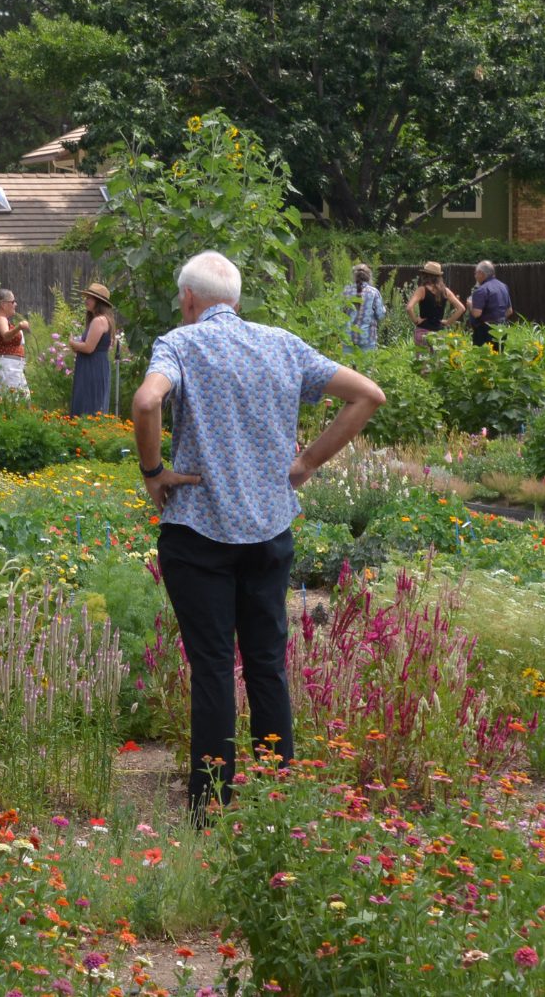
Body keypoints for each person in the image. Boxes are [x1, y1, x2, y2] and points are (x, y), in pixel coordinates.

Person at [131, 251, 386, 814]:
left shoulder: (180, 342)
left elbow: (148, 400)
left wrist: (154, 472)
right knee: (267, 663)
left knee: (215, 668)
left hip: (198, 533)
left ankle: (213, 807)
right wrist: (310, 461)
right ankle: (279, 800)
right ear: (237, 300)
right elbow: (368, 394)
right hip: (269, 532)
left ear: (190, 300)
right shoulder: (282, 343)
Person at [67, 282, 118, 416]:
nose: (86, 300)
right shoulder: (103, 320)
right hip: (94, 365)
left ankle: (86, 431)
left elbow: (89, 348)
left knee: (88, 404)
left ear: (98, 301)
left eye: (90, 298)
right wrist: (78, 346)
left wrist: (72, 343)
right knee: (92, 402)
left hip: (92, 366)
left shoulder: (99, 321)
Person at [405, 261, 467, 347]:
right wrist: (448, 322)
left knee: (422, 360)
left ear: (425, 275)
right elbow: (461, 308)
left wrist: (416, 321)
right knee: (437, 360)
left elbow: (409, 308)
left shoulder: (422, 290)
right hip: (439, 334)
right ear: (439, 277)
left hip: (423, 331)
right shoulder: (445, 291)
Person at [0, 289, 31, 396]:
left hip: (11, 366)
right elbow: (6, 336)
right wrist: (19, 327)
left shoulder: (0, 319)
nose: (15, 304)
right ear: (3, 305)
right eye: (12, 302)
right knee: (15, 400)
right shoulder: (1, 319)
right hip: (8, 367)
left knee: (20, 399)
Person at [342, 263, 387, 352]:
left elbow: (340, 313)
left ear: (354, 276)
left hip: (347, 336)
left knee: (346, 365)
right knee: (366, 365)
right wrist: (384, 309)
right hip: (367, 338)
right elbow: (380, 315)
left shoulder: (346, 290)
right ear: (369, 276)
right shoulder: (374, 292)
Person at [467, 260, 513, 346]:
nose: (475, 276)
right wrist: (498, 322)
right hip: (501, 330)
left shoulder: (481, 291)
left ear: (481, 273)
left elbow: (476, 314)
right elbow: (509, 311)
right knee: (499, 356)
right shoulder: (503, 286)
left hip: (485, 332)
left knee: (484, 358)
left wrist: (470, 305)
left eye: (475, 273)